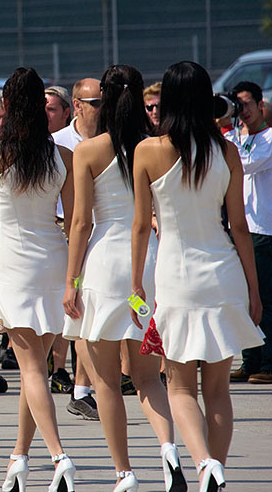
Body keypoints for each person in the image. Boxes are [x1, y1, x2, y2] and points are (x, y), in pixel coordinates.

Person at [132, 61, 264, 491]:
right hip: (223, 271)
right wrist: (254, 290)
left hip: (176, 275)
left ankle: (205, 464)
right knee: (219, 389)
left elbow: (141, 225)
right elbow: (239, 226)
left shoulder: (147, 151)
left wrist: (136, 283)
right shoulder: (225, 151)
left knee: (180, 386)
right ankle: (215, 470)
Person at [0, 67, 77, 492]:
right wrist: (75, 275)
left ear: (7, 105)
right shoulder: (63, 156)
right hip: (54, 260)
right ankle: (19, 457)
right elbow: (73, 221)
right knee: (35, 371)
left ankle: (59, 456)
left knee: (32, 371)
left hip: (14, 264)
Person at [63, 65, 179, 491]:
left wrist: (71, 280)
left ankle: (124, 472)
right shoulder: (158, 147)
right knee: (149, 377)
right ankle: (169, 450)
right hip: (147, 262)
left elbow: (80, 222)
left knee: (106, 382)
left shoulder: (89, 150)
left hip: (103, 264)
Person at [51, 76, 102, 419]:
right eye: (95, 103)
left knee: (89, 314)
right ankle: (84, 386)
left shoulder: (113, 140)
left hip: (102, 234)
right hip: (66, 233)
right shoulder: (58, 144)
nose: (101, 108)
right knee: (76, 315)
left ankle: (82, 390)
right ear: (78, 106)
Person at [220, 82, 272, 385]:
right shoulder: (237, 138)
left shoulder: (269, 138)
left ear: (260, 105)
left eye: (247, 104)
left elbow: (246, 164)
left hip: (264, 229)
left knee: (264, 298)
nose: (243, 111)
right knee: (243, 299)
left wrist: (228, 130)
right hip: (241, 227)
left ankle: (268, 362)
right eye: (237, 105)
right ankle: (250, 361)